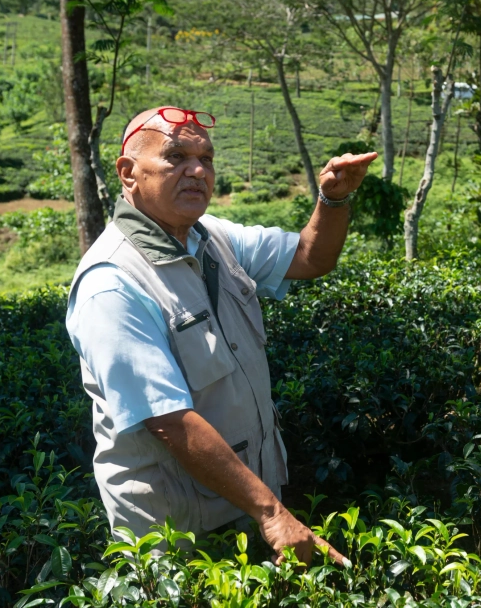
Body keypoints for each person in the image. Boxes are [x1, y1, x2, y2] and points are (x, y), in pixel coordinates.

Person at [65, 106, 377, 566]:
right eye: (176, 157)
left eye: (206, 158)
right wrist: (273, 514)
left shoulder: (211, 238)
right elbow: (169, 421)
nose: (197, 171)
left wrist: (332, 200)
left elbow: (311, 258)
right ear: (128, 173)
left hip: (246, 501)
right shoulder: (111, 283)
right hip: (178, 531)